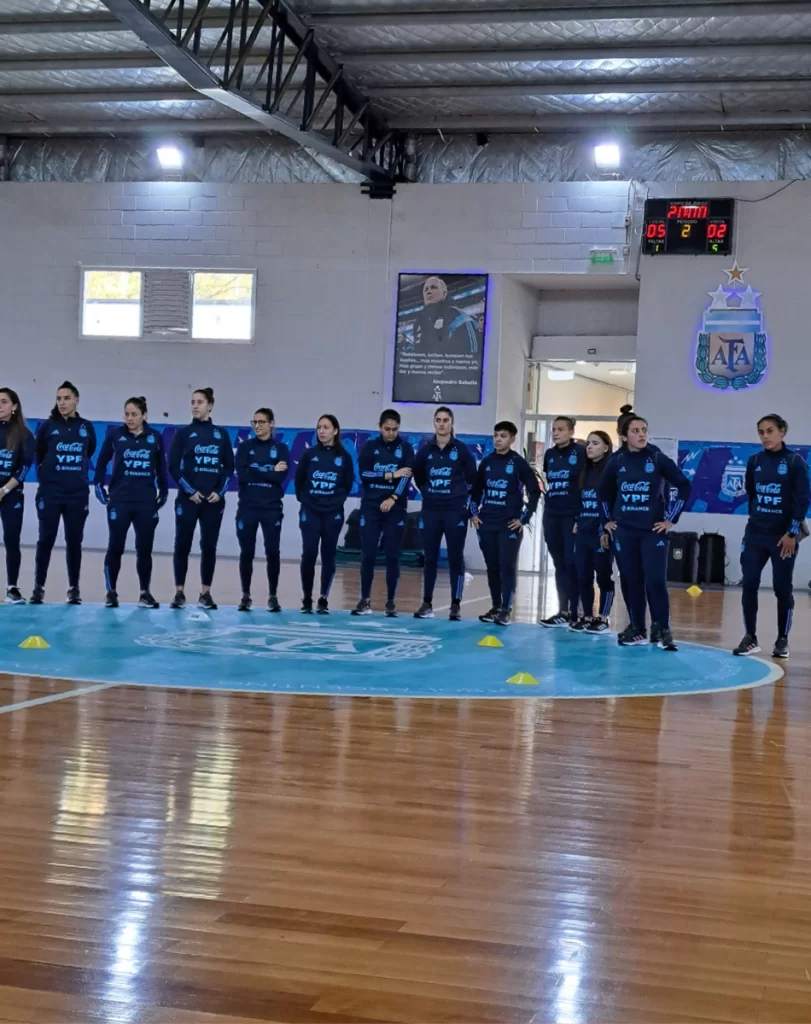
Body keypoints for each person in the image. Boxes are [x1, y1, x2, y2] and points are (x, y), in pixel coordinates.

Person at [599, 414, 691, 650]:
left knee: (655, 580)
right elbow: (602, 493)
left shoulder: (657, 457)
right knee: (631, 581)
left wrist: (671, 519)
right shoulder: (616, 461)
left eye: (644, 430)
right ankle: (637, 628)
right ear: (624, 436)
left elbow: (684, 486)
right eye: (635, 431)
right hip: (625, 531)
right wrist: (606, 521)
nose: (641, 434)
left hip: (652, 532)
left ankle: (662, 628)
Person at [733, 414, 810, 660]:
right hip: (755, 535)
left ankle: (782, 640)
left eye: (770, 431)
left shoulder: (795, 462)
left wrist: (791, 533)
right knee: (749, 584)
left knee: (782, 588)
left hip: (783, 538)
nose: (765, 436)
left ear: (782, 432)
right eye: (761, 432)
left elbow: (802, 501)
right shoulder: (754, 461)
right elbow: (752, 494)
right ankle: (750, 638)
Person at [93, 396, 168, 609]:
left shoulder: (155, 437)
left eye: (134, 414)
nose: (129, 418)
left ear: (144, 415)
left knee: (144, 549)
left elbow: (161, 469)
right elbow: (101, 462)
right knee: (115, 547)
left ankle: (145, 593)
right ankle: (111, 592)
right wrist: (98, 486)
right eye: (126, 414)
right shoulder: (116, 435)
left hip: (145, 502)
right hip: (120, 501)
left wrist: (163, 492)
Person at [31, 381, 97, 605]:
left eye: (67, 398)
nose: (62, 403)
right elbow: (39, 455)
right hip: (50, 494)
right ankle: (38, 587)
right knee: (45, 540)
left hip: (77, 495)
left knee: (74, 541)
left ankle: (73, 588)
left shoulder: (86, 427)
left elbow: (89, 451)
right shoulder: (47, 427)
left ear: (76, 400)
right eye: (59, 399)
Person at [168, 388, 234, 610]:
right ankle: (179, 592)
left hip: (212, 502)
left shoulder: (221, 434)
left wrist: (220, 492)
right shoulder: (183, 433)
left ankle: (205, 593)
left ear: (210, 406)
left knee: (209, 546)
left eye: (200, 402)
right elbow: (173, 466)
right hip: (188, 500)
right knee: (182, 545)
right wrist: (189, 491)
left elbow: (229, 467)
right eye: (193, 402)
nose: (195, 406)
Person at [471, 420, 540, 627]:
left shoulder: (518, 463)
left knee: (506, 566)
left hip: (508, 525)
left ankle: (506, 609)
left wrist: (524, 518)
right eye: (496, 436)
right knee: (492, 567)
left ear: (512, 439)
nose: (498, 440)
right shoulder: (486, 462)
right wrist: (474, 514)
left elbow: (535, 491)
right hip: (487, 523)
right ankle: (495, 607)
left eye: (503, 436)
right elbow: (476, 491)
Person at [412, 405, 477, 620]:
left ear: (451, 423)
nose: (441, 424)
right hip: (431, 511)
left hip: (455, 512)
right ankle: (426, 603)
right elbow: (419, 477)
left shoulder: (461, 449)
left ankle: (455, 605)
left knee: (455, 558)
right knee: (430, 558)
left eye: (445, 420)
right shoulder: (425, 451)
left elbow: (472, 478)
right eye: (438, 420)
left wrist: (460, 498)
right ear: (434, 423)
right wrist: (429, 493)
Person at [353, 409, 415, 617]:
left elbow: (406, 476)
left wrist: (393, 498)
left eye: (395, 429)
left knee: (392, 555)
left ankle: (390, 601)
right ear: (379, 427)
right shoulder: (370, 447)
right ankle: (365, 599)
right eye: (387, 429)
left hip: (395, 508)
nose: (391, 433)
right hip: (371, 506)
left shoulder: (406, 448)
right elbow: (365, 474)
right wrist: (391, 474)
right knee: (368, 554)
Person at [295, 414, 355, 614]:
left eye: (326, 427)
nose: (321, 431)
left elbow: (347, 485)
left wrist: (334, 502)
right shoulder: (309, 454)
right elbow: (299, 480)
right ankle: (306, 597)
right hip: (310, 511)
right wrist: (307, 501)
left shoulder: (344, 457)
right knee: (309, 552)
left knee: (328, 554)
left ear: (335, 431)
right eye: (319, 427)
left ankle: (323, 597)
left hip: (333, 513)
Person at [235, 408, 290, 613]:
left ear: (271, 424)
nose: (257, 426)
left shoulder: (281, 448)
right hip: (247, 507)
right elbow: (242, 474)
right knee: (246, 552)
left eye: (261, 422)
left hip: (271, 508)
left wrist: (256, 469)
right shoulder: (245, 447)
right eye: (254, 422)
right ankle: (245, 595)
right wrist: (269, 469)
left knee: (272, 551)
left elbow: (280, 478)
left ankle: (272, 596)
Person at [540, 415, 586, 627]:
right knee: (559, 564)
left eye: (560, 429)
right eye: (553, 430)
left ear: (571, 432)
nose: (556, 433)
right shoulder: (549, 454)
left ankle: (577, 610)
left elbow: (586, 484)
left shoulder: (580, 453)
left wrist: (580, 516)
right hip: (552, 514)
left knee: (571, 562)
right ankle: (563, 610)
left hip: (572, 515)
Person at [570, 431, 615, 635]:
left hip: (600, 533)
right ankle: (586, 616)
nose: (589, 447)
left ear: (606, 448)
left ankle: (603, 618)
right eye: (588, 443)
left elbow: (613, 502)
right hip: (583, 532)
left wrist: (607, 526)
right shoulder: (585, 471)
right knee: (583, 576)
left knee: (603, 577)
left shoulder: (610, 472)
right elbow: (580, 500)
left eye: (595, 443)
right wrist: (577, 521)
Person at [0, 388, 35, 604]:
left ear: (14, 406)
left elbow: (24, 468)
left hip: (11, 494)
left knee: (11, 540)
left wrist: (4, 490)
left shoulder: (24, 435)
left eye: (4, 401)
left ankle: (12, 588)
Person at [415, 276, 479, 356]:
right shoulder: (420, 322)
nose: (429, 291)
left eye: (433, 287)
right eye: (426, 289)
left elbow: (470, 352)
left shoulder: (456, 315)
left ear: (444, 294)